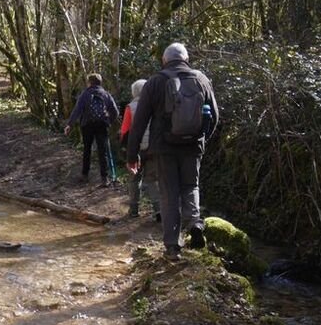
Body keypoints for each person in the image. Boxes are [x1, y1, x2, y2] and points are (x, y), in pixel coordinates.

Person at [126, 43, 219, 261]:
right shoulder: (201, 79)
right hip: (193, 146)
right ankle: (195, 223)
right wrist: (202, 139)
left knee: (169, 194)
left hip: (164, 148)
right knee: (191, 186)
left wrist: (132, 155)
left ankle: (172, 247)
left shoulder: (154, 82)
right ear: (186, 58)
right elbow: (214, 116)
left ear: (164, 60)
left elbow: (139, 123)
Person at [64, 73, 119, 186]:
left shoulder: (85, 94)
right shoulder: (106, 94)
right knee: (102, 151)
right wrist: (109, 121)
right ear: (100, 82)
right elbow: (115, 112)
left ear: (89, 82)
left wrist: (69, 124)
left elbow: (77, 110)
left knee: (87, 149)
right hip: (102, 125)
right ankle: (104, 178)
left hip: (87, 125)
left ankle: (85, 175)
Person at [120, 79, 160, 220]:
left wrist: (125, 149)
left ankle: (134, 210)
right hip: (153, 148)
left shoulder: (130, 107)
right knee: (152, 179)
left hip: (136, 149)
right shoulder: (157, 106)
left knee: (134, 179)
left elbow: (125, 131)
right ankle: (158, 210)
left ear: (134, 92)